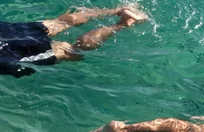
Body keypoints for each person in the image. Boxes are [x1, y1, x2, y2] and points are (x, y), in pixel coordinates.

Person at [0, 6, 147, 78]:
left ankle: (121, 24)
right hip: (6, 31)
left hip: (7, 55)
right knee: (57, 23)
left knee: (71, 50)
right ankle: (117, 9)